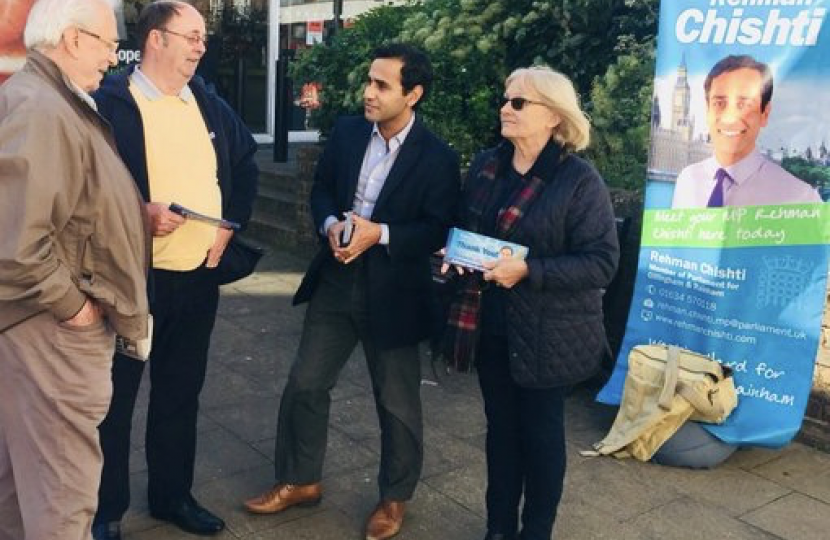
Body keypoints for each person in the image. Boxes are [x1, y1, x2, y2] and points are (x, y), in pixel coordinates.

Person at [243, 43, 460, 540]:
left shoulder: (438, 158)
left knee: (397, 402)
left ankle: (394, 498)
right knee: (305, 382)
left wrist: (377, 233)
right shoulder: (345, 133)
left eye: (382, 85)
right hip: (337, 280)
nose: (369, 92)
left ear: (414, 94)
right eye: (369, 80)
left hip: (394, 291)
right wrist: (330, 225)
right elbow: (322, 189)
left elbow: (436, 228)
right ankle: (299, 479)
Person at [90, 2, 258, 539]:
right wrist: (137, 214)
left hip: (196, 276)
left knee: (181, 393)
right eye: (191, 36)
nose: (200, 46)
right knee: (113, 400)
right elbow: (83, 190)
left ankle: (171, 496)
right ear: (155, 40)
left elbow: (246, 163)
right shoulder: (110, 102)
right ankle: (105, 510)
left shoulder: (206, 101)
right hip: (133, 281)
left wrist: (231, 223)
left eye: (203, 37)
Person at [442, 66, 619, 540]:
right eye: (506, 99)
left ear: (553, 118)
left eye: (519, 102)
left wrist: (530, 270)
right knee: (501, 434)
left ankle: (536, 531)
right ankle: (498, 529)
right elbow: (467, 228)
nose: (505, 107)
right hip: (490, 324)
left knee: (540, 440)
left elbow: (602, 262)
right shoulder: (486, 165)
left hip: (549, 334)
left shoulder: (578, 181)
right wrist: (455, 253)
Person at [0, 0, 150, 538]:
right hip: (53, 336)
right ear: (72, 38)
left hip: (37, 334)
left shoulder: (47, 98)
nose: (114, 57)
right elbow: (16, 244)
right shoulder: (42, 106)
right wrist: (78, 310)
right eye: (108, 43)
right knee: (63, 503)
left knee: (25, 494)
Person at [671, 54, 821, 208]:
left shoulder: (801, 197)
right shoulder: (687, 181)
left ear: (765, 114)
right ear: (707, 109)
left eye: (744, 105)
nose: (730, 118)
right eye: (720, 103)